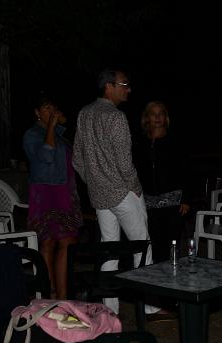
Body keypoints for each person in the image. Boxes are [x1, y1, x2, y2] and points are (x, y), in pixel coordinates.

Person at [72, 69, 170, 320]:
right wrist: (134, 188)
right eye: (124, 84)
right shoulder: (115, 116)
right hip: (123, 193)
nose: (128, 89)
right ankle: (149, 308)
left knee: (110, 249)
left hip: (100, 195)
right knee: (142, 245)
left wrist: (94, 182)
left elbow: (77, 159)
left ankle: (109, 311)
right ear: (109, 86)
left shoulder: (84, 113)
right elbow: (124, 162)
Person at [22, 95, 83, 299]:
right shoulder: (31, 134)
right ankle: (50, 296)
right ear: (37, 113)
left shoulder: (60, 135)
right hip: (45, 193)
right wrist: (51, 127)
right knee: (48, 242)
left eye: (53, 108)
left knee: (68, 241)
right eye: (46, 108)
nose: (51, 112)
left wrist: (60, 125)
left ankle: (62, 297)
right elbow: (47, 154)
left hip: (65, 193)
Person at [132, 101, 191, 263]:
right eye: (153, 113)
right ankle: (155, 275)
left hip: (173, 201)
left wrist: (186, 199)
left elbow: (187, 170)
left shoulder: (176, 141)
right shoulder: (140, 143)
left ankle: (171, 273)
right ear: (147, 118)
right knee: (153, 243)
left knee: (171, 243)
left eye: (161, 113)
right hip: (148, 203)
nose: (157, 117)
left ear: (166, 118)